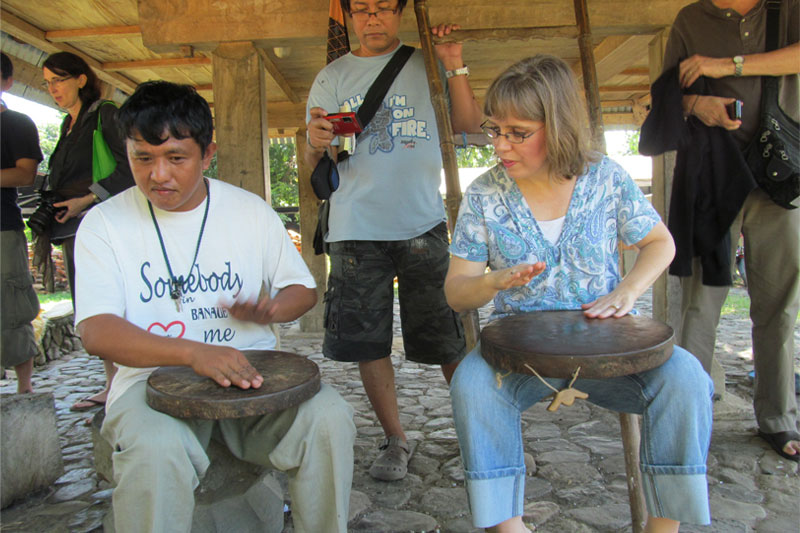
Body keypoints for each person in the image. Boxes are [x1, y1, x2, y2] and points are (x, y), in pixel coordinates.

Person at [445, 55, 713, 533]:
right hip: (520, 360)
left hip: (608, 353)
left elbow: (660, 243)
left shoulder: (605, 179)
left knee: (685, 378)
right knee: (471, 385)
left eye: (518, 132)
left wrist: (629, 287)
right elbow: (457, 294)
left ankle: (663, 528)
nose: (501, 145)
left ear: (559, 126)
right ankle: (509, 528)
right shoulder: (485, 195)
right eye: (494, 130)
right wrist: (493, 281)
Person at [74, 80, 355, 532]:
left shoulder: (249, 211)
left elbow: (301, 290)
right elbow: (97, 331)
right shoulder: (103, 225)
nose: (158, 175)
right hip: (151, 389)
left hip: (254, 380)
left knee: (328, 417)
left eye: (176, 158)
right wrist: (193, 353)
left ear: (208, 155)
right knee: (154, 448)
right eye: (142, 158)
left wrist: (271, 309)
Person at [305, 0, 483, 481]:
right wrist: (314, 140)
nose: (372, 17)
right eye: (360, 8)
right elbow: (312, 167)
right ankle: (395, 439)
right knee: (368, 343)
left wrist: (454, 64)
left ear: (401, 11)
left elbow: (469, 126)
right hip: (354, 228)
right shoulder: (332, 76)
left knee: (449, 339)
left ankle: (479, 437)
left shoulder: (428, 63)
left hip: (422, 223)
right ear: (348, 15)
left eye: (384, 6)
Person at [660, 0, 800, 461]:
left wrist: (725, 65)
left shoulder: (788, 8)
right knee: (700, 303)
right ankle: (690, 414)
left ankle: (777, 418)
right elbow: (665, 95)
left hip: (780, 176)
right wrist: (699, 104)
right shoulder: (690, 20)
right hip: (713, 176)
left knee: (777, 305)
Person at [35, 51, 135, 411]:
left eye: (59, 80)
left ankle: (127, 382)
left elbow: (131, 165)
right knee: (94, 307)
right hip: (73, 229)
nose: (53, 89)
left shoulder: (105, 114)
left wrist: (86, 199)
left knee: (115, 303)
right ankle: (112, 383)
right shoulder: (67, 125)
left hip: (105, 225)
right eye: (47, 82)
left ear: (81, 79)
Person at [0, 52, 43, 394]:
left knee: (13, 304)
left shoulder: (17, 123)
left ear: (7, 82)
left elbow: (25, 174)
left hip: (3, 228)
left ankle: (24, 388)